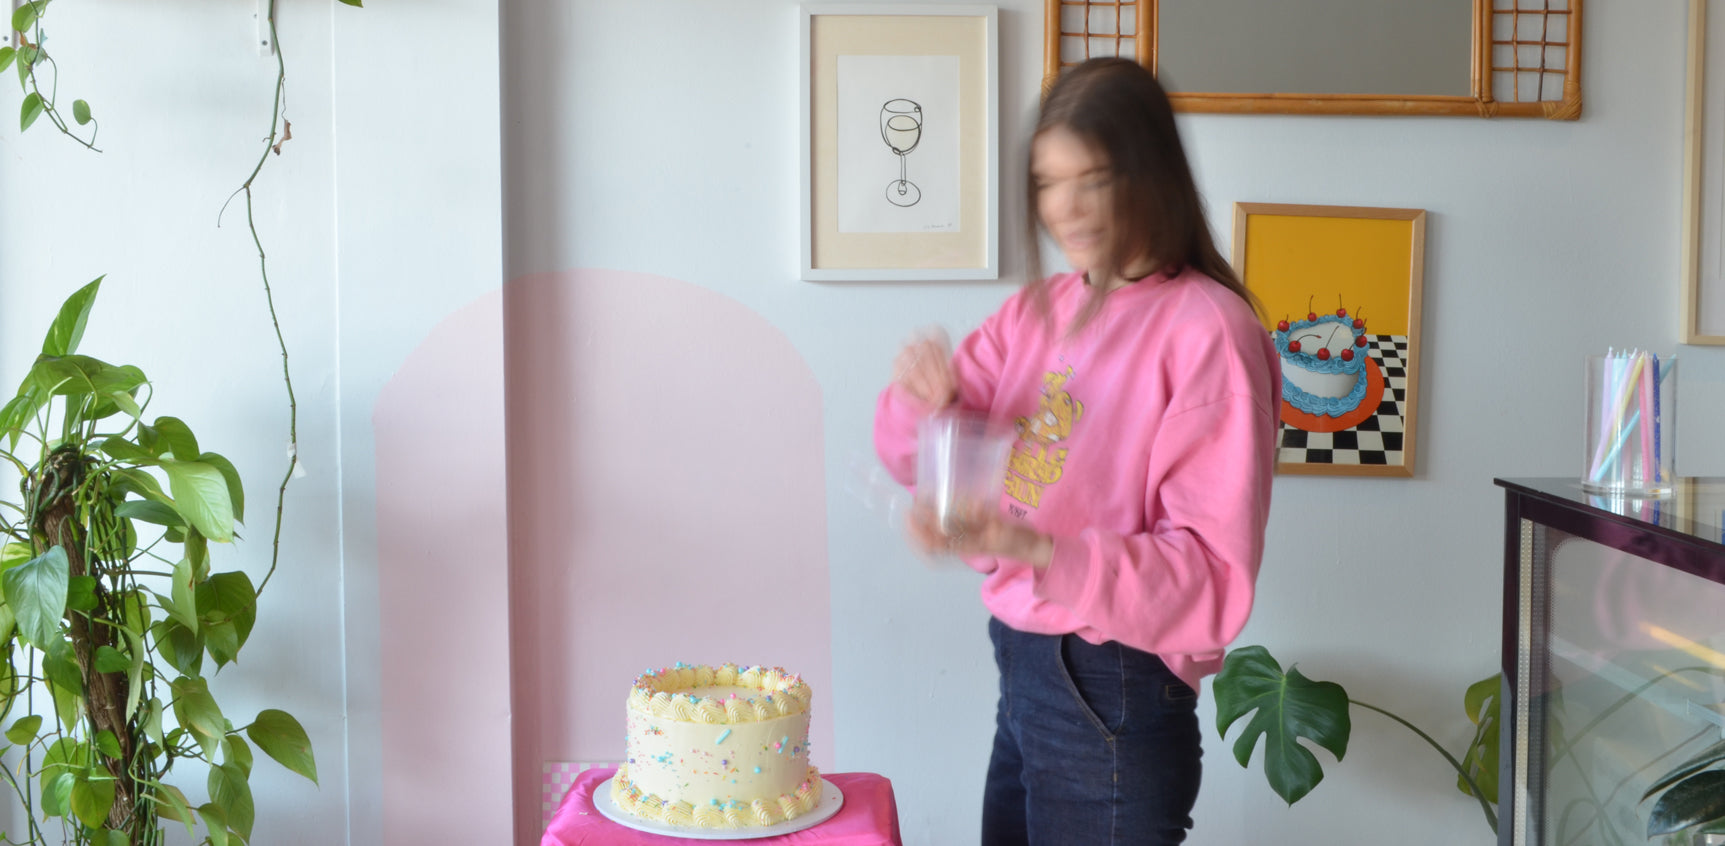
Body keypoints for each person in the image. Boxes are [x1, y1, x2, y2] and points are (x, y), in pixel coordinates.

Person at [872, 57, 1281, 845]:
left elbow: (1207, 580)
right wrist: (926, 408)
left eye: (1090, 177)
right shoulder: (1037, 311)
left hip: (1112, 678)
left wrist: (1025, 543)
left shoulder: (1208, 333)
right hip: (1025, 661)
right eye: (1046, 182)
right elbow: (925, 456)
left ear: (1150, 173)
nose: (1065, 208)